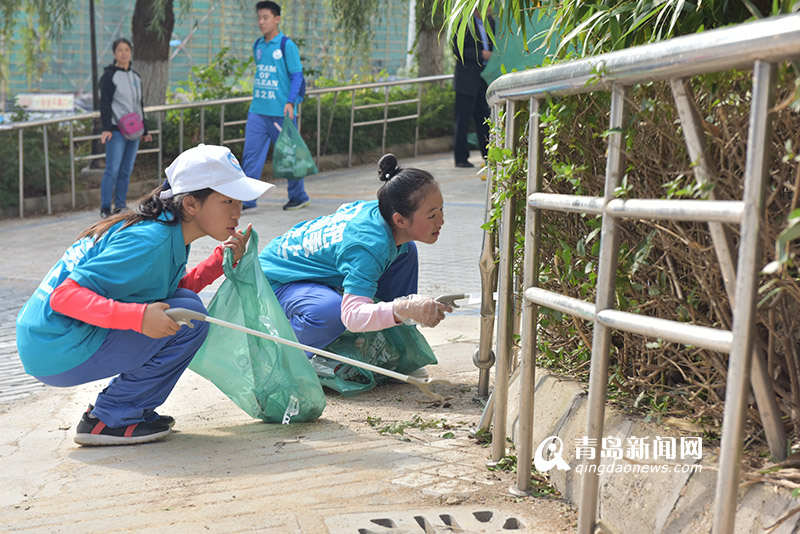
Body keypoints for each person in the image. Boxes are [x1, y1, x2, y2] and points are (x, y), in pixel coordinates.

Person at [15, 144, 274, 446]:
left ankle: (122, 408)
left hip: (51, 338)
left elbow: (165, 295)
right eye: (227, 200)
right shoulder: (150, 242)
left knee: (186, 309)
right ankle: (110, 418)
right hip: (54, 347)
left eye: (239, 200)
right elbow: (64, 297)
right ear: (191, 204)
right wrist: (137, 318)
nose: (237, 211)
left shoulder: (166, 228)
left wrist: (218, 262)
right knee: (192, 321)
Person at [259, 153, 453, 357]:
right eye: (432, 215)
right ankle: (280, 361)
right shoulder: (367, 248)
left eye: (441, 209)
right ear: (400, 220)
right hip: (273, 282)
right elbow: (352, 316)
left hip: (306, 274)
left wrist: (405, 310)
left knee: (405, 252)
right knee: (329, 313)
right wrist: (403, 309)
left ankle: (396, 351)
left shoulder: (380, 212)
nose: (441, 221)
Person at [241, 1, 309, 211]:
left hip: (282, 112)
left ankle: (298, 195)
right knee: (250, 155)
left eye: (266, 17)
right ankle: (247, 199)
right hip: (258, 111)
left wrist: (290, 102)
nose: (261, 22)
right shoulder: (258, 45)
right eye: (259, 18)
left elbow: (297, 75)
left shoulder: (286, 45)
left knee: (289, 156)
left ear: (277, 19)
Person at [99, 37, 153, 219]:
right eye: (120, 50)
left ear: (131, 53)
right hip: (116, 130)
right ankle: (106, 207)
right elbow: (104, 103)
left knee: (126, 170)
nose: (124, 53)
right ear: (114, 54)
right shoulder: (109, 76)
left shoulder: (135, 77)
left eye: (127, 50)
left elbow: (139, 104)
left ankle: (120, 204)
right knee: (112, 170)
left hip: (134, 131)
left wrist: (144, 130)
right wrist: (106, 128)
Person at [452, 10, 494, 168]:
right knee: (462, 120)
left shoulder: (490, 22)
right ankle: (461, 158)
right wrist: (481, 54)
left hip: (484, 79)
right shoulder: (463, 22)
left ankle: (488, 155)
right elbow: (458, 50)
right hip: (466, 80)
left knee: (484, 119)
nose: (489, 8)